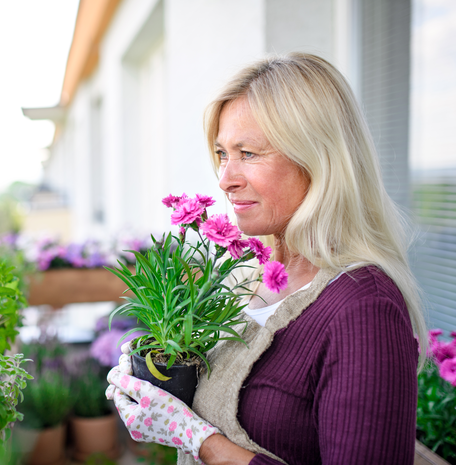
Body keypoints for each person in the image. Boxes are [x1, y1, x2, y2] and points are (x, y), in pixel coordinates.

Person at [106, 53, 426, 465]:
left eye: (249, 153)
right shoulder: (251, 275)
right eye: (223, 153)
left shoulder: (364, 309)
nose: (225, 179)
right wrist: (161, 363)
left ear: (318, 159)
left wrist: (200, 441)